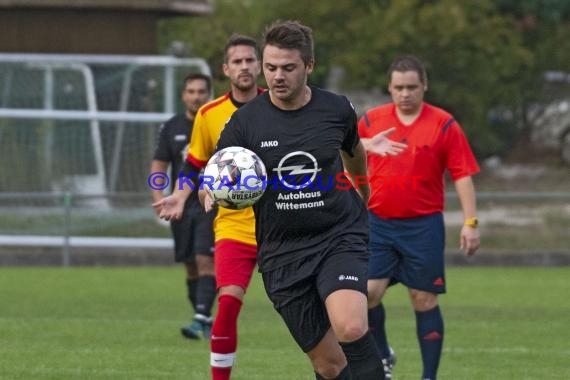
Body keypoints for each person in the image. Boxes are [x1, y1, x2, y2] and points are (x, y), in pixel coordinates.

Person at [205, 20, 386, 380]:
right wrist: (210, 189)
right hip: (282, 251)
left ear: (309, 66)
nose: (277, 76)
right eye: (270, 67)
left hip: (338, 233)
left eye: (288, 68)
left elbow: (354, 151)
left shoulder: (335, 109)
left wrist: (362, 188)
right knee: (329, 365)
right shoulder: (245, 122)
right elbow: (217, 171)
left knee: (350, 327)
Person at [358, 55, 481, 380]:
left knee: (423, 298)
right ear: (389, 87)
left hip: (423, 226)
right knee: (367, 294)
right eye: (398, 87)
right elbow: (346, 158)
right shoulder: (371, 121)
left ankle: (429, 376)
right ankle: (383, 355)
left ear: (424, 85)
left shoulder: (444, 124)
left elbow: (463, 174)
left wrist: (471, 223)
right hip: (377, 223)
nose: (405, 94)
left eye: (412, 87)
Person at [153, 34, 264, 380]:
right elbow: (193, 165)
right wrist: (178, 195)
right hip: (233, 224)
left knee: (309, 310)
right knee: (228, 302)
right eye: (238, 61)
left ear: (259, 65)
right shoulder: (210, 114)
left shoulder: (279, 105)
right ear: (226, 69)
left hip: (283, 224)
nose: (245, 67)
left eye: (250, 60)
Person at [150, 73, 216, 339]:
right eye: (191, 91)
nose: (196, 96)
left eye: (201, 91)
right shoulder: (171, 127)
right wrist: (157, 198)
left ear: (208, 94)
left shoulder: (215, 123)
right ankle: (205, 316)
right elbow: (159, 165)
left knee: (205, 259)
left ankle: (200, 317)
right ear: (183, 95)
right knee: (189, 264)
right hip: (180, 205)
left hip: (209, 203)